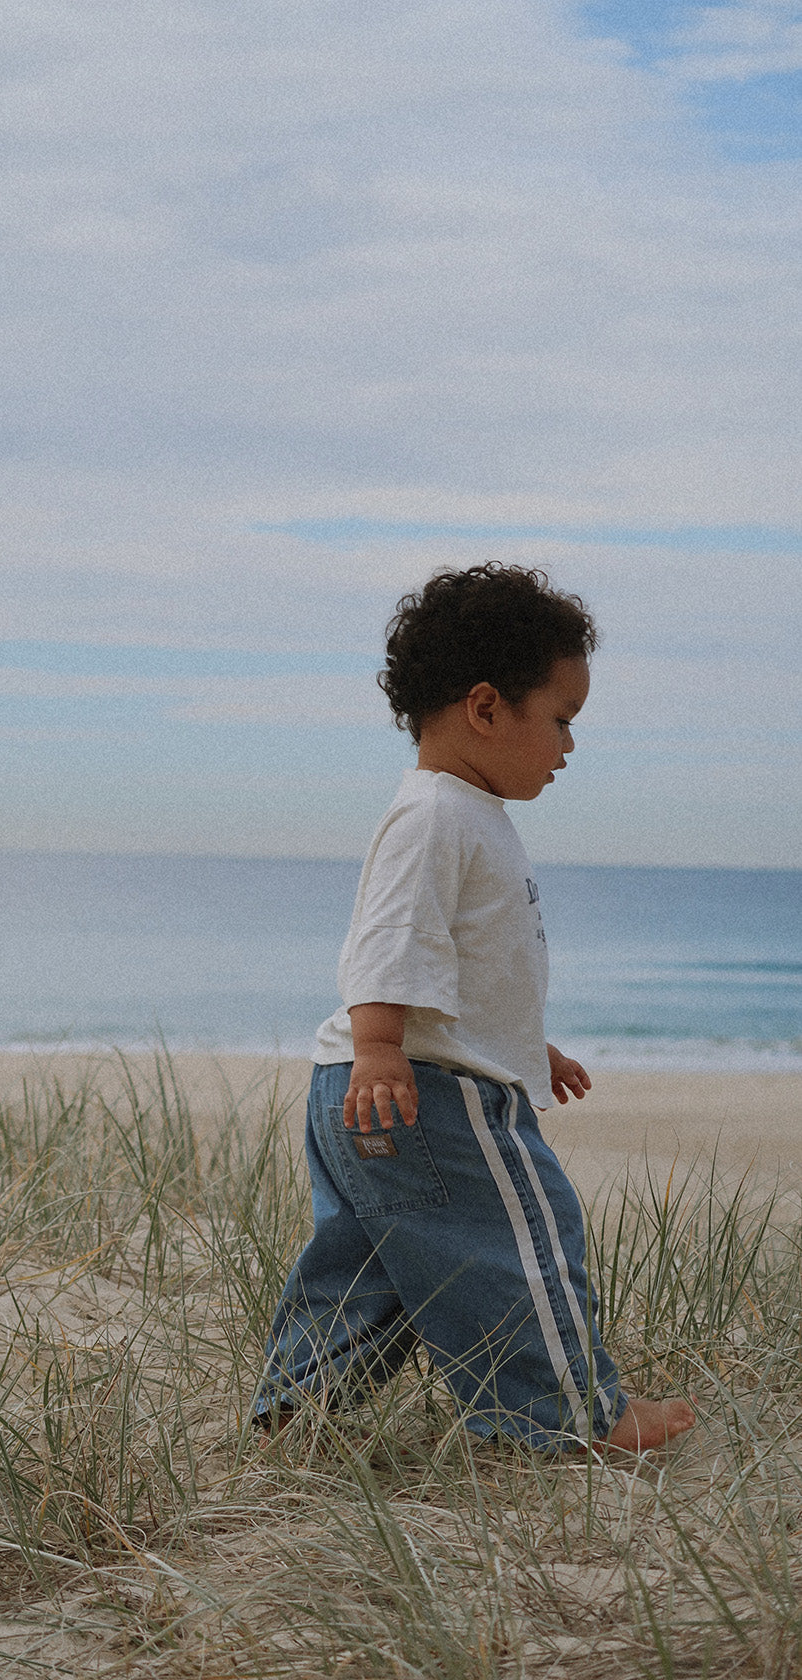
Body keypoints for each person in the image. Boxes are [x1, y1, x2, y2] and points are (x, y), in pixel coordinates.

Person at [253, 564, 696, 1453]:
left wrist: (529, 1047)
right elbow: (388, 939)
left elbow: (463, 967)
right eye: (561, 718)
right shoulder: (437, 815)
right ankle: (572, 1419)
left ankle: (298, 1408)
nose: (569, 744)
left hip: (377, 1083)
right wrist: (383, 1046)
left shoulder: (464, 813)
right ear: (487, 708)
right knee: (525, 1241)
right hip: (427, 1093)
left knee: (379, 1265)